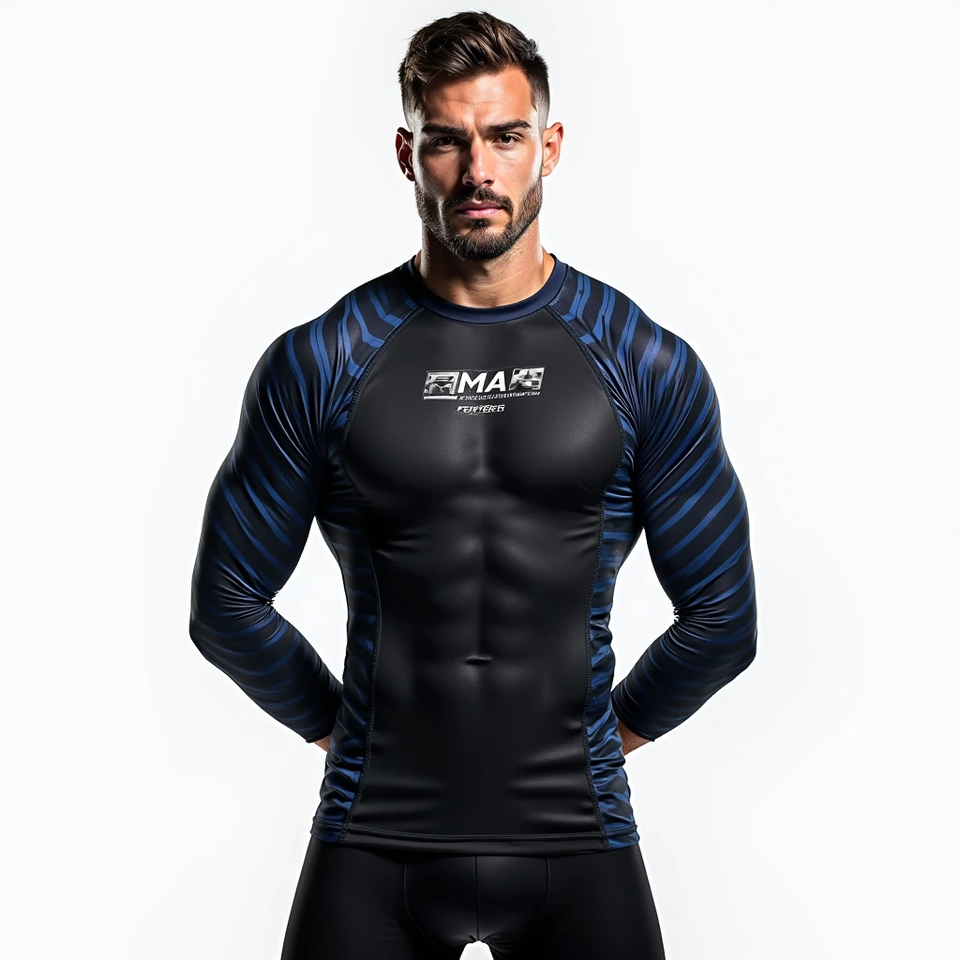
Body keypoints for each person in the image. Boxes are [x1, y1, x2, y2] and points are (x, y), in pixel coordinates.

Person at [189, 10, 758, 959]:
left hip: (580, 837)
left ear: (550, 147)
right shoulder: (322, 360)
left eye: (505, 137)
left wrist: (603, 742)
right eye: (448, 141)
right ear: (407, 154)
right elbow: (227, 604)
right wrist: (348, 735)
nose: (478, 170)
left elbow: (723, 620)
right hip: (373, 840)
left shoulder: (642, 361)